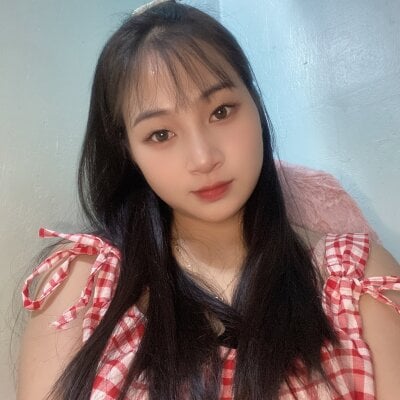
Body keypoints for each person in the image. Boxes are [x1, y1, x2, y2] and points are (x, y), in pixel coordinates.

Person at [17, 1, 400, 399]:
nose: (203, 159)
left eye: (221, 111)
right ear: (128, 150)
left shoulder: (359, 278)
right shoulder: (83, 283)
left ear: (255, 104)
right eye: (161, 134)